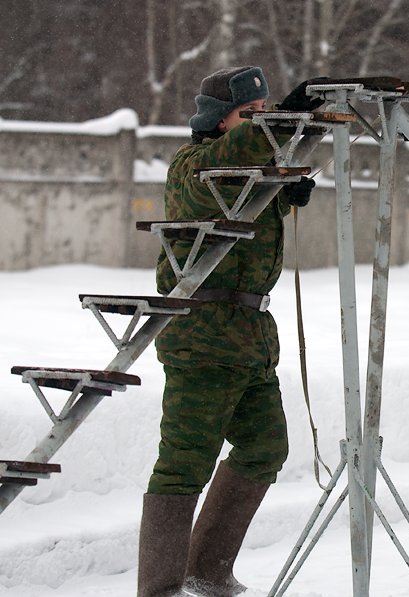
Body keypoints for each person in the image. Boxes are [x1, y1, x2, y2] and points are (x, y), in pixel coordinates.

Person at [137, 66, 323, 597]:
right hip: (202, 337)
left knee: (265, 448)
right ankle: (160, 588)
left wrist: (288, 190)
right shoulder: (194, 165)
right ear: (218, 121)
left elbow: (252, 170)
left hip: (250, 337)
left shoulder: (247, 167)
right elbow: (227, 164)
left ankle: (207, 571)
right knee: (183, 463)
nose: (260, 124)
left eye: (265, 115)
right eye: (250, 115)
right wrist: (284, 119)